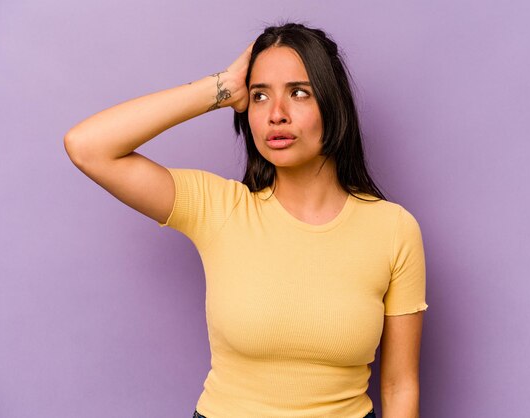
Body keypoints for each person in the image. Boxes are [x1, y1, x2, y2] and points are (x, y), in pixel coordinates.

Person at [64, 22, 427, 418]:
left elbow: (398, 384)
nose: (276, 115)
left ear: (332, 103)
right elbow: (88, 146)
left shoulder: (393, 229)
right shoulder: (218, 208)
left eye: (299, 93)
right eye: (259, 96)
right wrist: (224, 87)